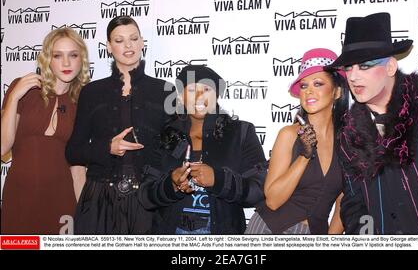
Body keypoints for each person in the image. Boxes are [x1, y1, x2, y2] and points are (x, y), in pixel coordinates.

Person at [328, 12, 418, 235]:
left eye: (365, 66)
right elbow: (353, 201)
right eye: (348, 68)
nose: (354, 77)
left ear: (390, 67)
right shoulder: (348, 134)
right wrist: (368, 237)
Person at [65, 16, 174, 234]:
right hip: (98, 199)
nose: (128, 45)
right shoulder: (91, 92)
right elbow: (73, 152)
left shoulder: (165, 90)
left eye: (133, 38)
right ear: (108, 46)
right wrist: (108, 148)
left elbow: (175, 149)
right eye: (119, 40)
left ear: (142, 42)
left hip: (148, 199)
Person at [138, 65, 267, 234]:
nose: (199, 96)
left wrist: (218, 180)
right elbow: (145, 197)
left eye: (206, 89)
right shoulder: (165, 136)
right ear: (181, 96)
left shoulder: (241, 133)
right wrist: (171, 185)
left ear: (217, 95)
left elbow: (258, 190)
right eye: (191, 90)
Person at [245, 48, 349, 234]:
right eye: (303, 86)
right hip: (269, 230)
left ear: (337, 92)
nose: (309, 91)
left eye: (318, 84)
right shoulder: (289, 134)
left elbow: (343, 201)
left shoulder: (347, 141)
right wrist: (304, 156)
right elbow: (273, 201)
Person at [1, 28, 90, 234]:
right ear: (47, 59)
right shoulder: (23, 90)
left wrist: (84, 213)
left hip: (62, 202)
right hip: (19, 197)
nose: (66, 63)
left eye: (73, 55)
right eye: (57, 55)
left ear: (82, 60)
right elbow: (3, 147)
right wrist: (14, 97)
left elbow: (78, 171)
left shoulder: (83, 103)